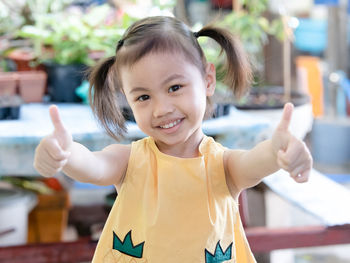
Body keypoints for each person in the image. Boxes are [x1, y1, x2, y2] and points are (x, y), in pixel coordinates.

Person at [34, 16, 312, 263]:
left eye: (175, 87)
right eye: (143, 97)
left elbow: (255, 162)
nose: (161, 109)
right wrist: (66, 153)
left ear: (207, 80)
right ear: (128, 100)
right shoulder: (129, 160)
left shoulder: (223, 166)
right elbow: (93, 166)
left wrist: (277, 150)